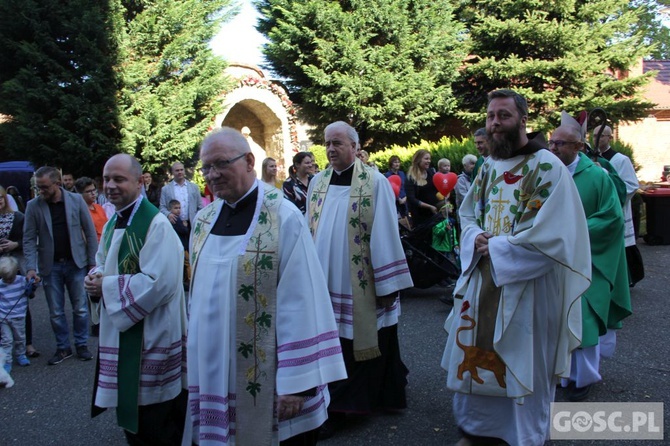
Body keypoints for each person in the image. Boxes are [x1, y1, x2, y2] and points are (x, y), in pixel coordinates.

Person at [440, 90, 592, 446]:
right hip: (484, 282)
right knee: (477, 353)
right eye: (491, 116)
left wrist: (497, 247)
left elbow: (557, 237)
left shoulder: (547, 167)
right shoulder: (489, 166)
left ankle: (523, 436)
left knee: (523, 360)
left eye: (504, 116)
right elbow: (467, 213)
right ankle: (477, 430)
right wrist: (475, 237)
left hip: (529, 289)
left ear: (523, 120)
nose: (495, 123)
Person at [184, 127, 346, 445]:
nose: (212, 175)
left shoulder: (282, 217)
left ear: (248, 161)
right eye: (206, 167)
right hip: (214, 370)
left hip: (271, 378)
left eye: (220, 164)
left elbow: (302, 300)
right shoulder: (203, 220)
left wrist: (297, 383)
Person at [307, 121, 414, 438]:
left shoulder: (375, 181)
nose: (330, 149)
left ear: (355, 147)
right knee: (331, 338)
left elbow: (384, 231)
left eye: (337, 143)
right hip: (325, 279)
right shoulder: (318, 183)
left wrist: (387, 285)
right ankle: (329, 400)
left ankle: (349, 406)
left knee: (360, 341)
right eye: (327, 143)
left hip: (360, 281)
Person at [85, 154, 188, 444]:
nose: (111, 185)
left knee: (156, 422)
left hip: (152, 335)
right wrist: (95, 277)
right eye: (107, 179)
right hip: (124, 333)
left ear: (140, 182)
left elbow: (160, 283)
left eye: (119, 179)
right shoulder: (112, 223)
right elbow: (104, 262)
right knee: (135, 424)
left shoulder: (156, 224)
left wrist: (105, 287)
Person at [550, 121, 632, 401]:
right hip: (552, 259)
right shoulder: (547, 174)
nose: (553, 148)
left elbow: (612, 217)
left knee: (582, 317)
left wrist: (574, 231)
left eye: (560, 144)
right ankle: (557, 372)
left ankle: (581, 377)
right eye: (551, 143)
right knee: (554, 317)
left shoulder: (597, 177)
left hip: (588, 261)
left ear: (579, 147)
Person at [23, 167, 97, 365]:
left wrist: (93, 263)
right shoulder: (33, 206)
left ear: (58, 184)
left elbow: (90, 232)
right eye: (38, 187)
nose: (41, 191)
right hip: (51, 266)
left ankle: (81, 344)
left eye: (45, 187)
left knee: (80, 308)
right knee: (55, 311)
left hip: (77, 263)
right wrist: (31, 268)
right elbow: (29, 239)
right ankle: (63, 347)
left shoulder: (76, 200)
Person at [593, 125, 643, 286]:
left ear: (610, 138)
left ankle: (626, 279)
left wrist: (609, 185)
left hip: (617, 208)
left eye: (601, 136)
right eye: (594, 136)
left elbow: (631, 185)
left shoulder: (620, 160)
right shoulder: (590, 159)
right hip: (597, 209)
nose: (597, 139)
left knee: (622, 247)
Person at [0, 185, 37, 358]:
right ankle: (4, 345)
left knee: (21, 305)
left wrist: (15, 244)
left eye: (0, 198)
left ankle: (27, 344)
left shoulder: (18, 217)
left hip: (15, 267)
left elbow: (29, 239)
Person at [0, 256, 31, 372]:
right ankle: (7, 361)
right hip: (3, 318)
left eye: (10, 278)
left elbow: (34, 286)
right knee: (6, 340)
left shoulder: (21, 280)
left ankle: (20, 354)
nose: (8, 281)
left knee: (20, 338)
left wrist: (34, 282)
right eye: (5, 278)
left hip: (18, 316)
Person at [159, 161, 203, 228]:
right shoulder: (165, 189)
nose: (180, 172)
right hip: (174, 224)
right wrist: (168, 214)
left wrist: (199, 220)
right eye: (177, 170)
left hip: (192, 224)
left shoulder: (194, 187)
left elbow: (200, 206)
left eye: (181, 170)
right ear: (173, 172)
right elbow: (162, 207)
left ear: (184, 171)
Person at [406, 149, 442, 227]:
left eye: (429, 159)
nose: (429, 161)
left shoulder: (431, 173)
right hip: (421, 217)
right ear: (418, 160)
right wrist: (429, 206)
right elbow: (411, 199)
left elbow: (438, 190)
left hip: (435, 214)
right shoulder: (410, 178)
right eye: (426, 159)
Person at [75, 177, 108, 242]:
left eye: (94, 190)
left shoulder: (99, 207)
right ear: (80, 194)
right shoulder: (79, 211)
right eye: (88, 191)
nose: (93, 193)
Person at [168, 199, 190, 289]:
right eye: (176, 208)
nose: (178, 210)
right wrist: (185, 226)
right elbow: (184, 230)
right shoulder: (175, 219)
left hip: (180, 245)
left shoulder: (178, 219)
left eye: (179, 208)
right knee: (187, 263)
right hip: (182, 245)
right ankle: (189, 280)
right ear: (170, 210)